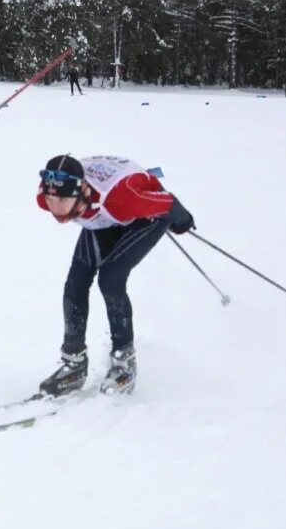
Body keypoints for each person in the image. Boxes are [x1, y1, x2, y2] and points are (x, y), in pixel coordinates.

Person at [35, 154, 195, 396]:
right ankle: (74, 364)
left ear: (81, 191)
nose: (55, 208)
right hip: (102, 217)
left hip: (142, 215)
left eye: (63, 201)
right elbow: (61, 197)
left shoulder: (121, 198)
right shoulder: (49, 191)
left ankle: (124, 363)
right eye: (50, 199)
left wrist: (183, 221)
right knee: (76, 282)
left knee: (111, 278)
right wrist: (63, 201)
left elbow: (168, 203)